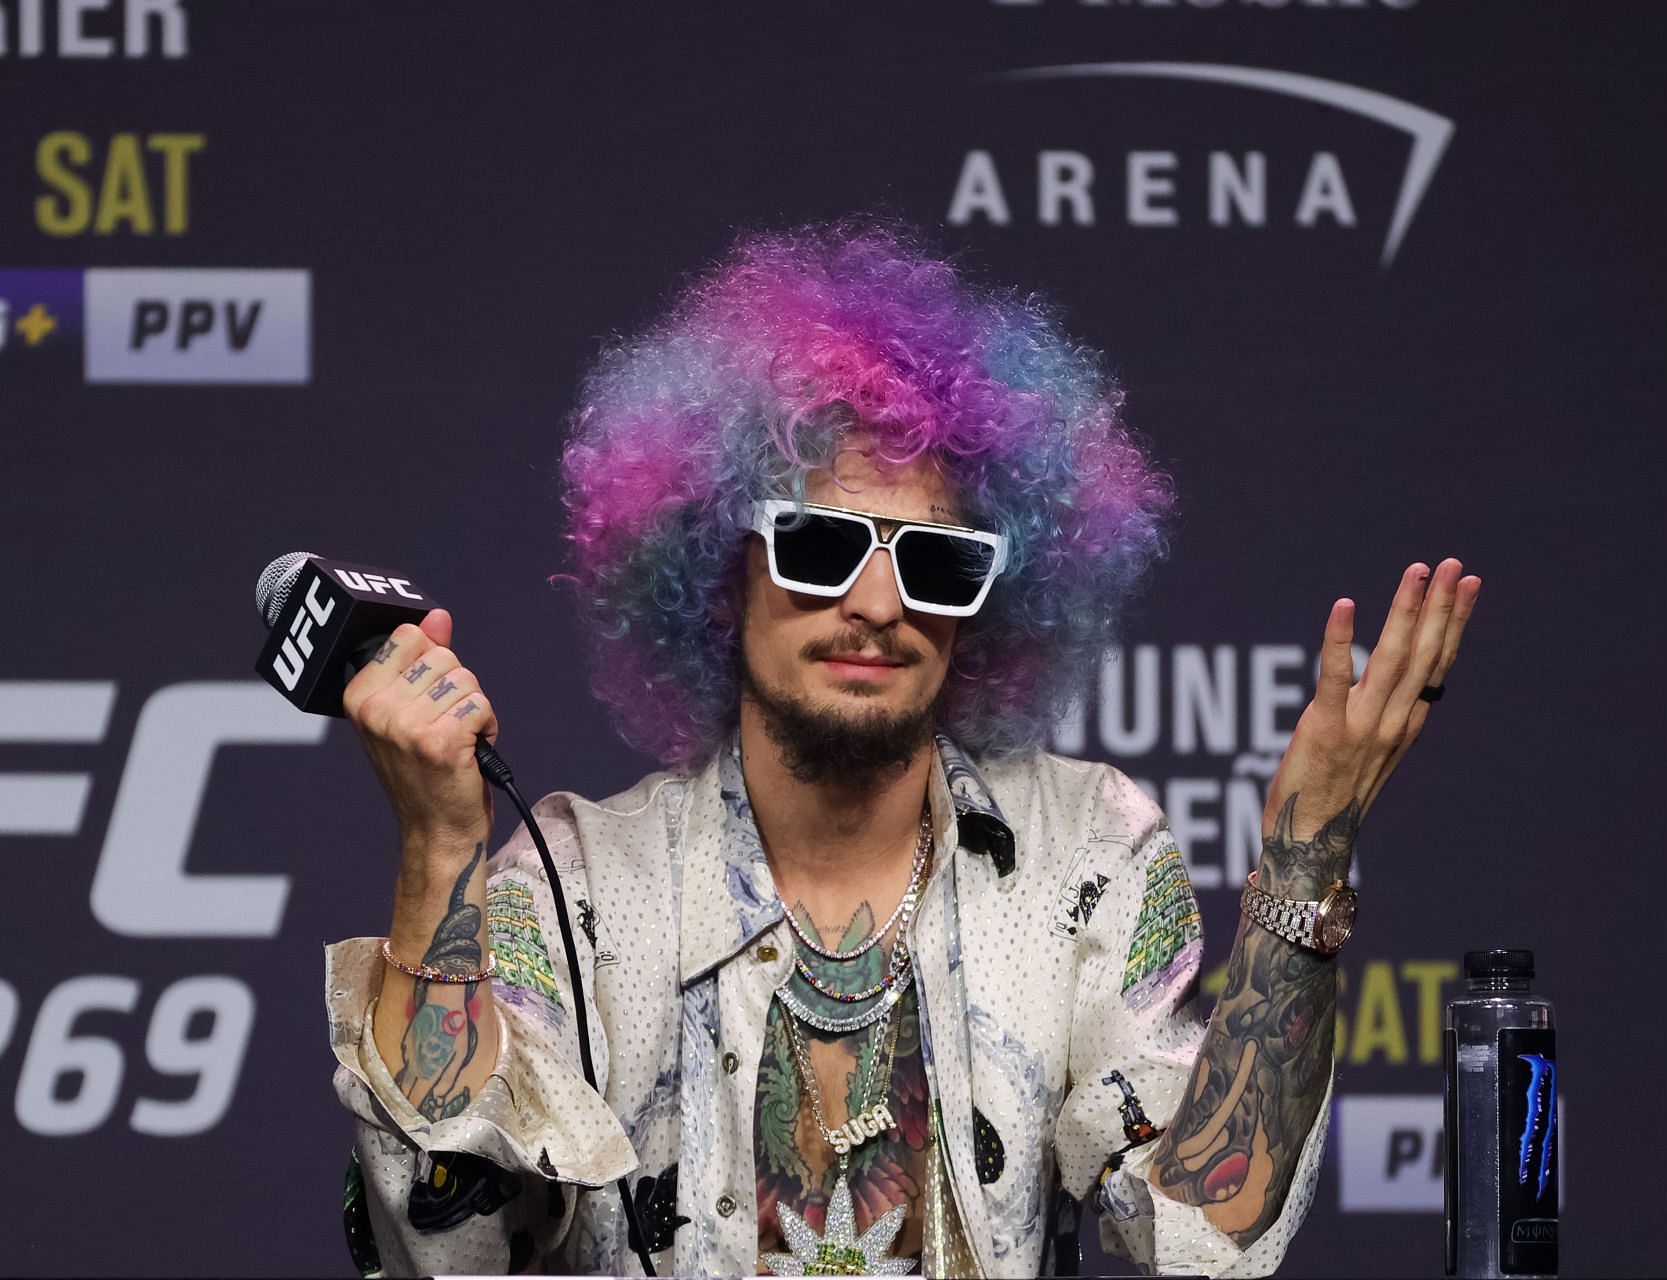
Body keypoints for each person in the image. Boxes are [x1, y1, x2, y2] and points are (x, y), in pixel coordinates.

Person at [324, 219, 1480, 1277]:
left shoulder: (1088, 854)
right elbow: (446, 1252)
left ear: (989, 603)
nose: (878, 603)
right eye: (822, 545)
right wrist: (438, 848)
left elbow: (1210, 1233)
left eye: (935, 562)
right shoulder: (573, 883)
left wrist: (1305, 851)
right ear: (722, 569)